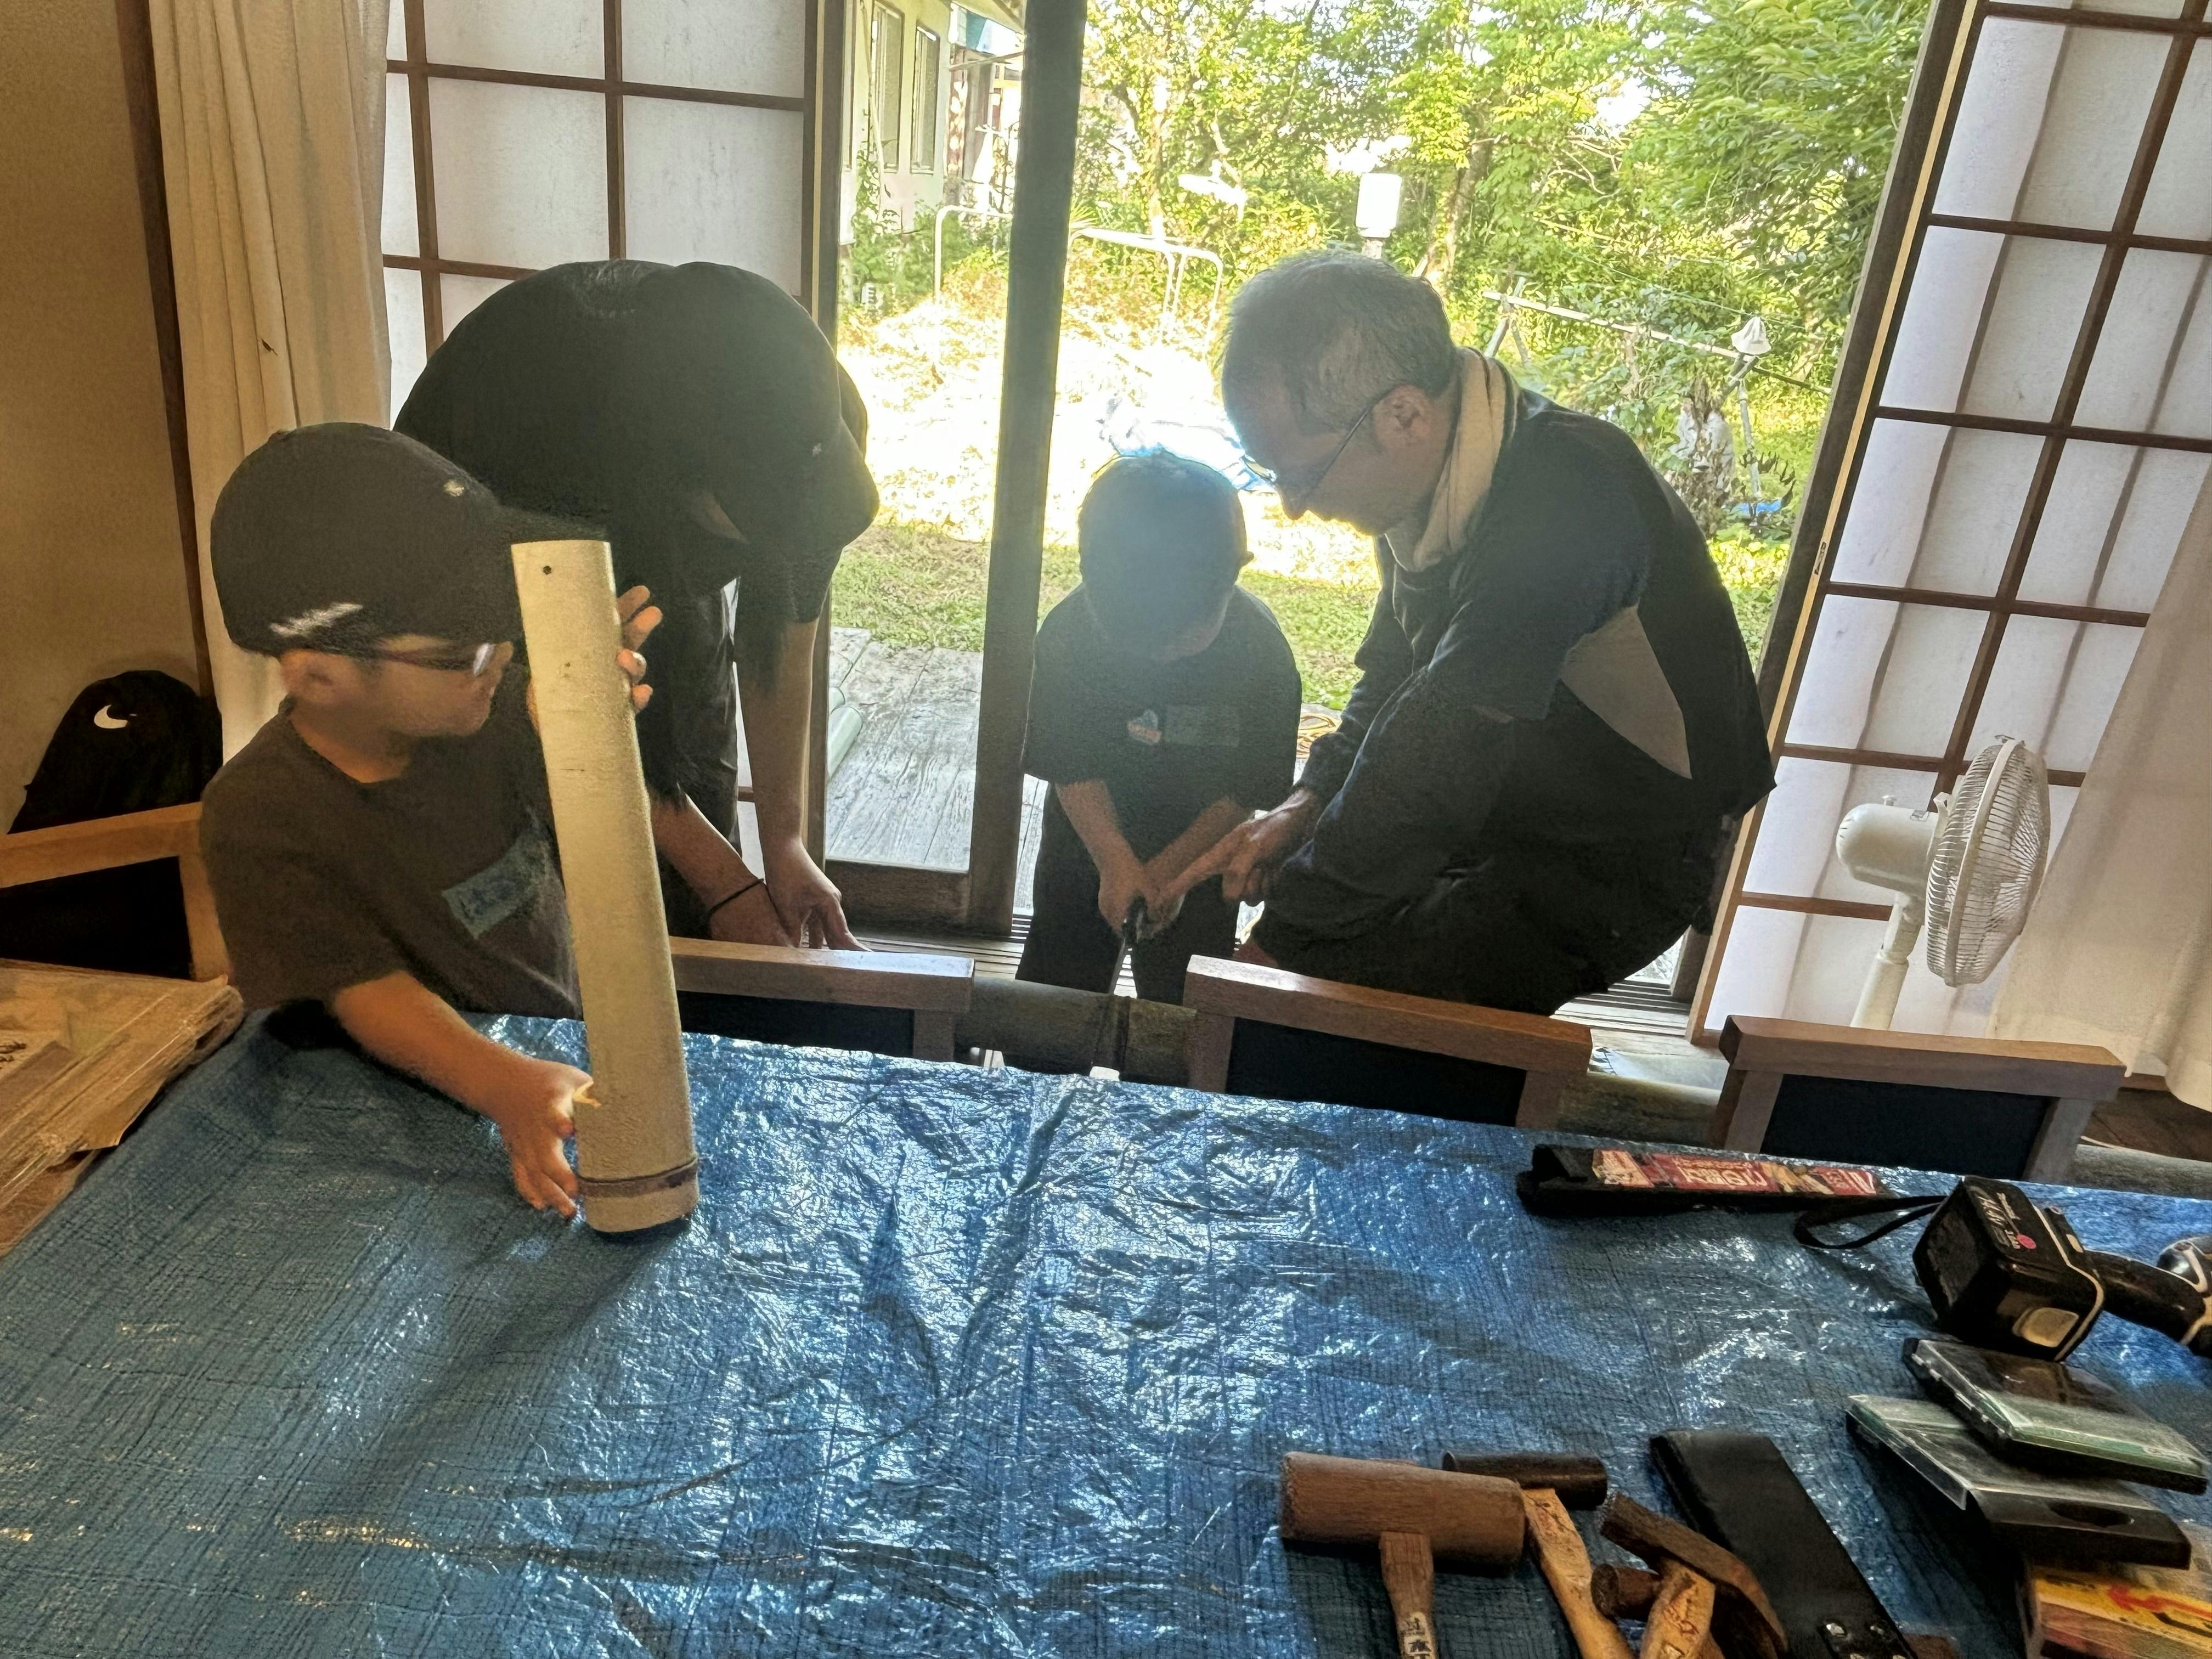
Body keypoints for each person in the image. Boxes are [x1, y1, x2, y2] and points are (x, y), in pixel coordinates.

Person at [1174, 252, 1774, 1015]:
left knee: (1334, 1002)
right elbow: (1396, 675)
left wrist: (1280, 947)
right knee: (1319, 937)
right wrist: (1307, 803)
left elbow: (1438, 746)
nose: (1292, 505)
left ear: (1403, 415)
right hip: (1510, 797)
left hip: (1623, 852)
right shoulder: (1428, 477)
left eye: (1304, 473)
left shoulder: (1564, 501)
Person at [198, 424, 723, 1219]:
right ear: (321, 676)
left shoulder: (489, 715)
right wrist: (500, 1082)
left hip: (544, 1057)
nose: (504, 655)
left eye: (506, 624)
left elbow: (597, 831)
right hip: (379, 1127)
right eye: (462, 650)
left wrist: (581, 730)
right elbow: (363, 991)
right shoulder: (261, 812)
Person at [396, 259, 877, 949]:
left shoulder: (809, 418)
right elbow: (573, 709)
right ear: (681, 482)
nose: (779, 539)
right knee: (574, 882)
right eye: (755, 520)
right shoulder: (540, 436)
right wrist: (725, 883)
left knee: (699, 794)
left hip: (649, 555)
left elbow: (783, 633)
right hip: (493, 609)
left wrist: (784, 844)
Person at [1015, 453, 1302, 1008]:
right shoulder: (1069, 635)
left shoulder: (1262, 657)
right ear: (1089, 577)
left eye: (1179, 640)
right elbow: (1070, 764)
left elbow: (1244, 789)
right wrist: (1113, 859)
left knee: (1184, 1002)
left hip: (1203, 847)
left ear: (1235, 574)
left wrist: (1170, 876)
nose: (1158, 657)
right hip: (1088, 828)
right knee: (1057, 986)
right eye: (1134, 639)